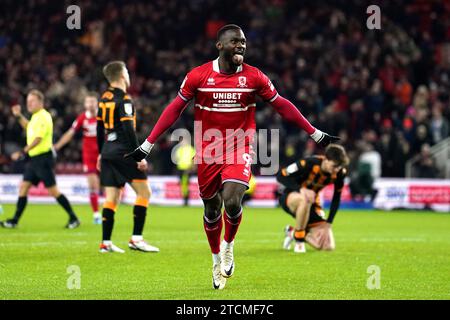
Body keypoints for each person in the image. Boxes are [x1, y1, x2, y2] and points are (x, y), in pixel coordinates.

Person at [125, 25, 339, 289]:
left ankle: (228, 245)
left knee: (232, 199)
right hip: (208, 149)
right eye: (235, 41)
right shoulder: (198, 76)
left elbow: (281, 104)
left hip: (240, 146)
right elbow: (174, 109)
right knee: (212, 209)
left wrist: (314, 132)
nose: (241, 46)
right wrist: (148, 143)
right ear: (220, 45)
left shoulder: (254, 77)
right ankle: (216, 259)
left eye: (244, 42)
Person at [97, 61, 159, 253]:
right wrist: (139, 155)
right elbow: (128, 129)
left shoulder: (104, 98)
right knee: (144, 193)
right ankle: (136, 239)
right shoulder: (124, 99)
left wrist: (101, 152)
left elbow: (99, 128)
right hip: (123, 151)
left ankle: (105, 243)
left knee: (112, 197)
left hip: (108, 151)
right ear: (123, 75)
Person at [1, 90, 80, 229]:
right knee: (23, 187)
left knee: (54, 191)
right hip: (34, 160)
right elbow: (29, 127)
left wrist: (22, 152)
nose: (29, 104)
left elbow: (38, 138)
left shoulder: (44, 116)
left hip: (43, 159)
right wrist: (19, 116)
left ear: (40, 102)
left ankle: (74, 218)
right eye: (27, 102)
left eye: (32, 101)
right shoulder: (35, 117)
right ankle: (14, 220)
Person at [277, 144, 349, 253]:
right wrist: (301, 189)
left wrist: (329, 223)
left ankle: (292, 232)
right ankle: (299, 241)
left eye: (339, 167)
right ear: (325, 159)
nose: (336, 170)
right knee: (305, 198)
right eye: (334, 166)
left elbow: (336, 197)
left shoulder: (339, 173)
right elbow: (281, 175)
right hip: (291, 197)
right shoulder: (309, 163)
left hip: (312, 203)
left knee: (327, 246)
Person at [54, 93, 102, 224]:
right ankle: (97, 214)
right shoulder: (82, 118)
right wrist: (57, 146)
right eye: (88, 102)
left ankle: (109, 211)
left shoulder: (103, 116)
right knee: (93, 185)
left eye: (93, 102)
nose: (91, 105)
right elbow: (70, 133)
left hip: (104, 155)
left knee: (108, 185)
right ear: (85, 104)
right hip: (89, 156)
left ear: (97, 103)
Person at [173, 137, 196, 206]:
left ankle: (186, 200)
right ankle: (185, 199)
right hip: (180, 169)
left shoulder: (191, 149)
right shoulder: (179, 149)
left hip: (187, 169)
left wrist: (191, 168)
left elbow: (194, 160)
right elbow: (176, 159)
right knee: (183, 184)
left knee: (185, 184)